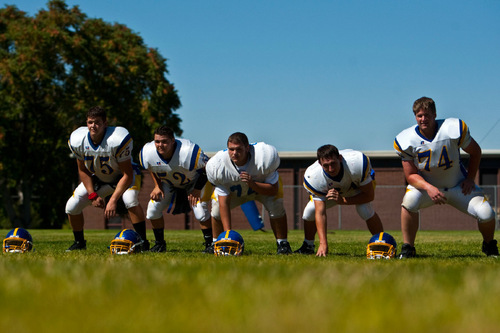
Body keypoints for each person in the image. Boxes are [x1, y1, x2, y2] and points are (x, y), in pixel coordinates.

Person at [394, 96, 498, 258]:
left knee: (487, 214)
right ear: (415, 117)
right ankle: (408, 247)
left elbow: (475, 152)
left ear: (434, 114)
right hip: (427, 188)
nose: (423, 119)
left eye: (427, 115)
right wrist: (429, 187)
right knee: (408, 202)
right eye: (419, 115)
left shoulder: (452, 129)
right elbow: (410, 175)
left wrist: (470, 178)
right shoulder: (406, 140)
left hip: (458, 185)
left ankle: (489, 245)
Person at [65, 106, 148, 251]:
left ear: (105, 123)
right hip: (99, 178)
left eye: (97, 122)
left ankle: (143, 242)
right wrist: (92, 194)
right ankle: (79, 243)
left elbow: (127, 175)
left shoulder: (117, 139)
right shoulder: (79, 140)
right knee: (71, 207)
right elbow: (82, 170)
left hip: (123, 177)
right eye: (90, 122)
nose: (93, 126)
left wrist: (113, 200)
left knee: (130, 200)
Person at [206, 132, 292, 254]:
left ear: (247, 148)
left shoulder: (264, 157)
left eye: (238, 149)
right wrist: (228, 236)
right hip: (235, 193)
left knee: (276, 205)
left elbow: (273, 189)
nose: (234, 153)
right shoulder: (217, 165)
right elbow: (223, 202)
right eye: (231, 149)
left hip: (261, 189)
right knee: (216, 210)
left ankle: (282, 243)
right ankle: (216, 243)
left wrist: (253, 184)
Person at [298, 145, 384, 257]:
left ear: (340, 158)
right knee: (309, 211)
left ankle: (382, 242)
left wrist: (343, 200)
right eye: (326, 165)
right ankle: (308, 246)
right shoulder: (313, 176)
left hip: (355, 189)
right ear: (320, 164)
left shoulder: (356, 163)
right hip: (332, 194)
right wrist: (323, 243)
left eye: (333, 163)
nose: (331, 169)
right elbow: (320, 212)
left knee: (364, 209)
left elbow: (369, 196)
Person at [139, 126, 213, 252]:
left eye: (164, 142)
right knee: (152, 210)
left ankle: (210, 244)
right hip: (170, 183)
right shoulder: (148, 152)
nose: (160, 145)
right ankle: (159, 244)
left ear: (173, 141)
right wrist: (157, 185)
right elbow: (151, 167)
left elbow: (209, 169)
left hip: (195, 182)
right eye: (157, 141)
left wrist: (197, 189)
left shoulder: (187, 151)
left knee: (200, 212)